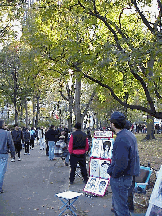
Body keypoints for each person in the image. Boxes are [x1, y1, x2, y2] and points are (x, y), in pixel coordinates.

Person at [107, 112, 140, 216]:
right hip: (126, 176)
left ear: (113, 124)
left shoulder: (122, 138)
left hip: (121, 178)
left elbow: (121, 163)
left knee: (121, 209)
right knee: (120, 206)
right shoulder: (128, 135)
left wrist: (113, 173)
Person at [0, 119, 15, 193]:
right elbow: (10, 144)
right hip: (3, 153)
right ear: (2, 125)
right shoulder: (7, 133)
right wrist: (13, 154)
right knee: (1, 171)